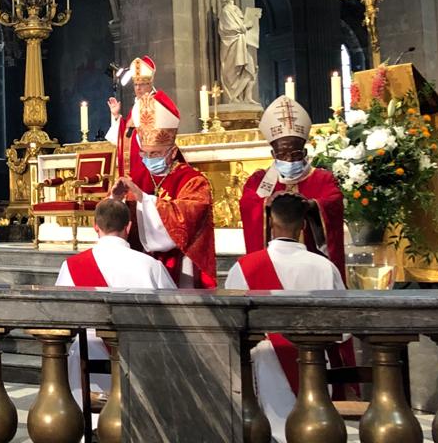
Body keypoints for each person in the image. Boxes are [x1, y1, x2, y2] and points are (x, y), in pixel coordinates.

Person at [226, 193, 346, 443]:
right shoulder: (324, 266)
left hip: (263, 364)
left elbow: (232, 325)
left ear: (271, 222)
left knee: (268, 433)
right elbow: (343, 329)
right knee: (313, 432)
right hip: (314, 362)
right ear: (303, 225)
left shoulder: (246, 266)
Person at [56, 199, 176, 411]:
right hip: (141, 356)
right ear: (128, 227)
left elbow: (61, 315)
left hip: (88, 354)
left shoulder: (73, 266)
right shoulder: (151, 266)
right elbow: (173, 313)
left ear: (95, 226)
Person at [110, 92, 216, 288]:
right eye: (145, 153)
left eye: (155, 153)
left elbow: (185, 222)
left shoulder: (194, 181)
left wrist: (144, 199)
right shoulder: (137, 178)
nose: (149, 159)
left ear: (173, 152)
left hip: (182, 265)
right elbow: (115, 221)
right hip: (141, 266)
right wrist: (115, 200)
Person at [240, 96, 347, 280]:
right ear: (273, 154)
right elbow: (247, 203)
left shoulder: (322, 178)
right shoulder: (259, 181)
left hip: (314, 266)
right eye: (282, 154)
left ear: (305, 152)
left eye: (296, 153)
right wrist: (266, 203)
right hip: (272, 269)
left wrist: (313, 205)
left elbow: (334, 201)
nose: (289, 159)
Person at [105, 56, 170, 184]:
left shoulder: (157, 102)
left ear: (150, 84)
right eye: (135, 84)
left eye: (142, 84)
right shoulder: (137, 105)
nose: (138, 88)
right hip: (133, 163)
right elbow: (126, 133)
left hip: (148, 162)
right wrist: (116, 116)